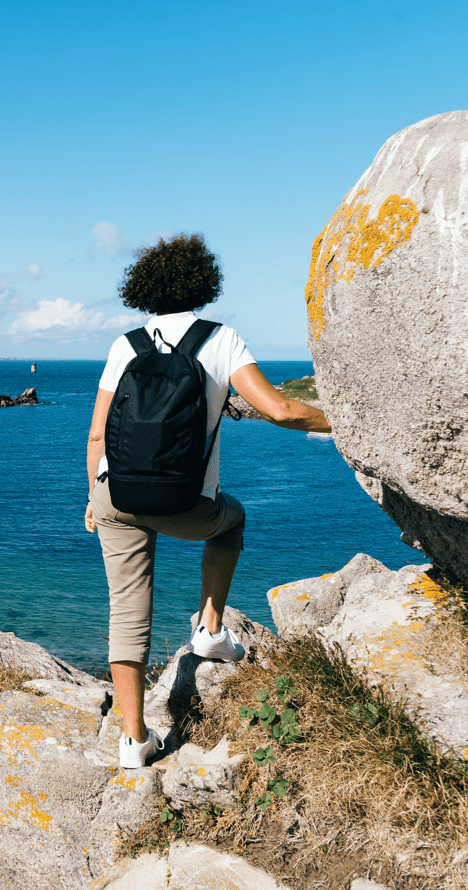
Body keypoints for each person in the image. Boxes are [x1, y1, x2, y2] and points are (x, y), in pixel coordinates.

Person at [84, 233, 331, 769]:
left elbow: (98, 434)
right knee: (231, 520)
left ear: (144, 286)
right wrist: (349, 422)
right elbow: (281, 410)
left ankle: (134, 741)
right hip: (183, 501)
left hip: (114, 494)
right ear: (202, 282)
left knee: (127, 609)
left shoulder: (125, 344)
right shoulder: (220, 340)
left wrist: (92, 495)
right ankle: (210, 629)